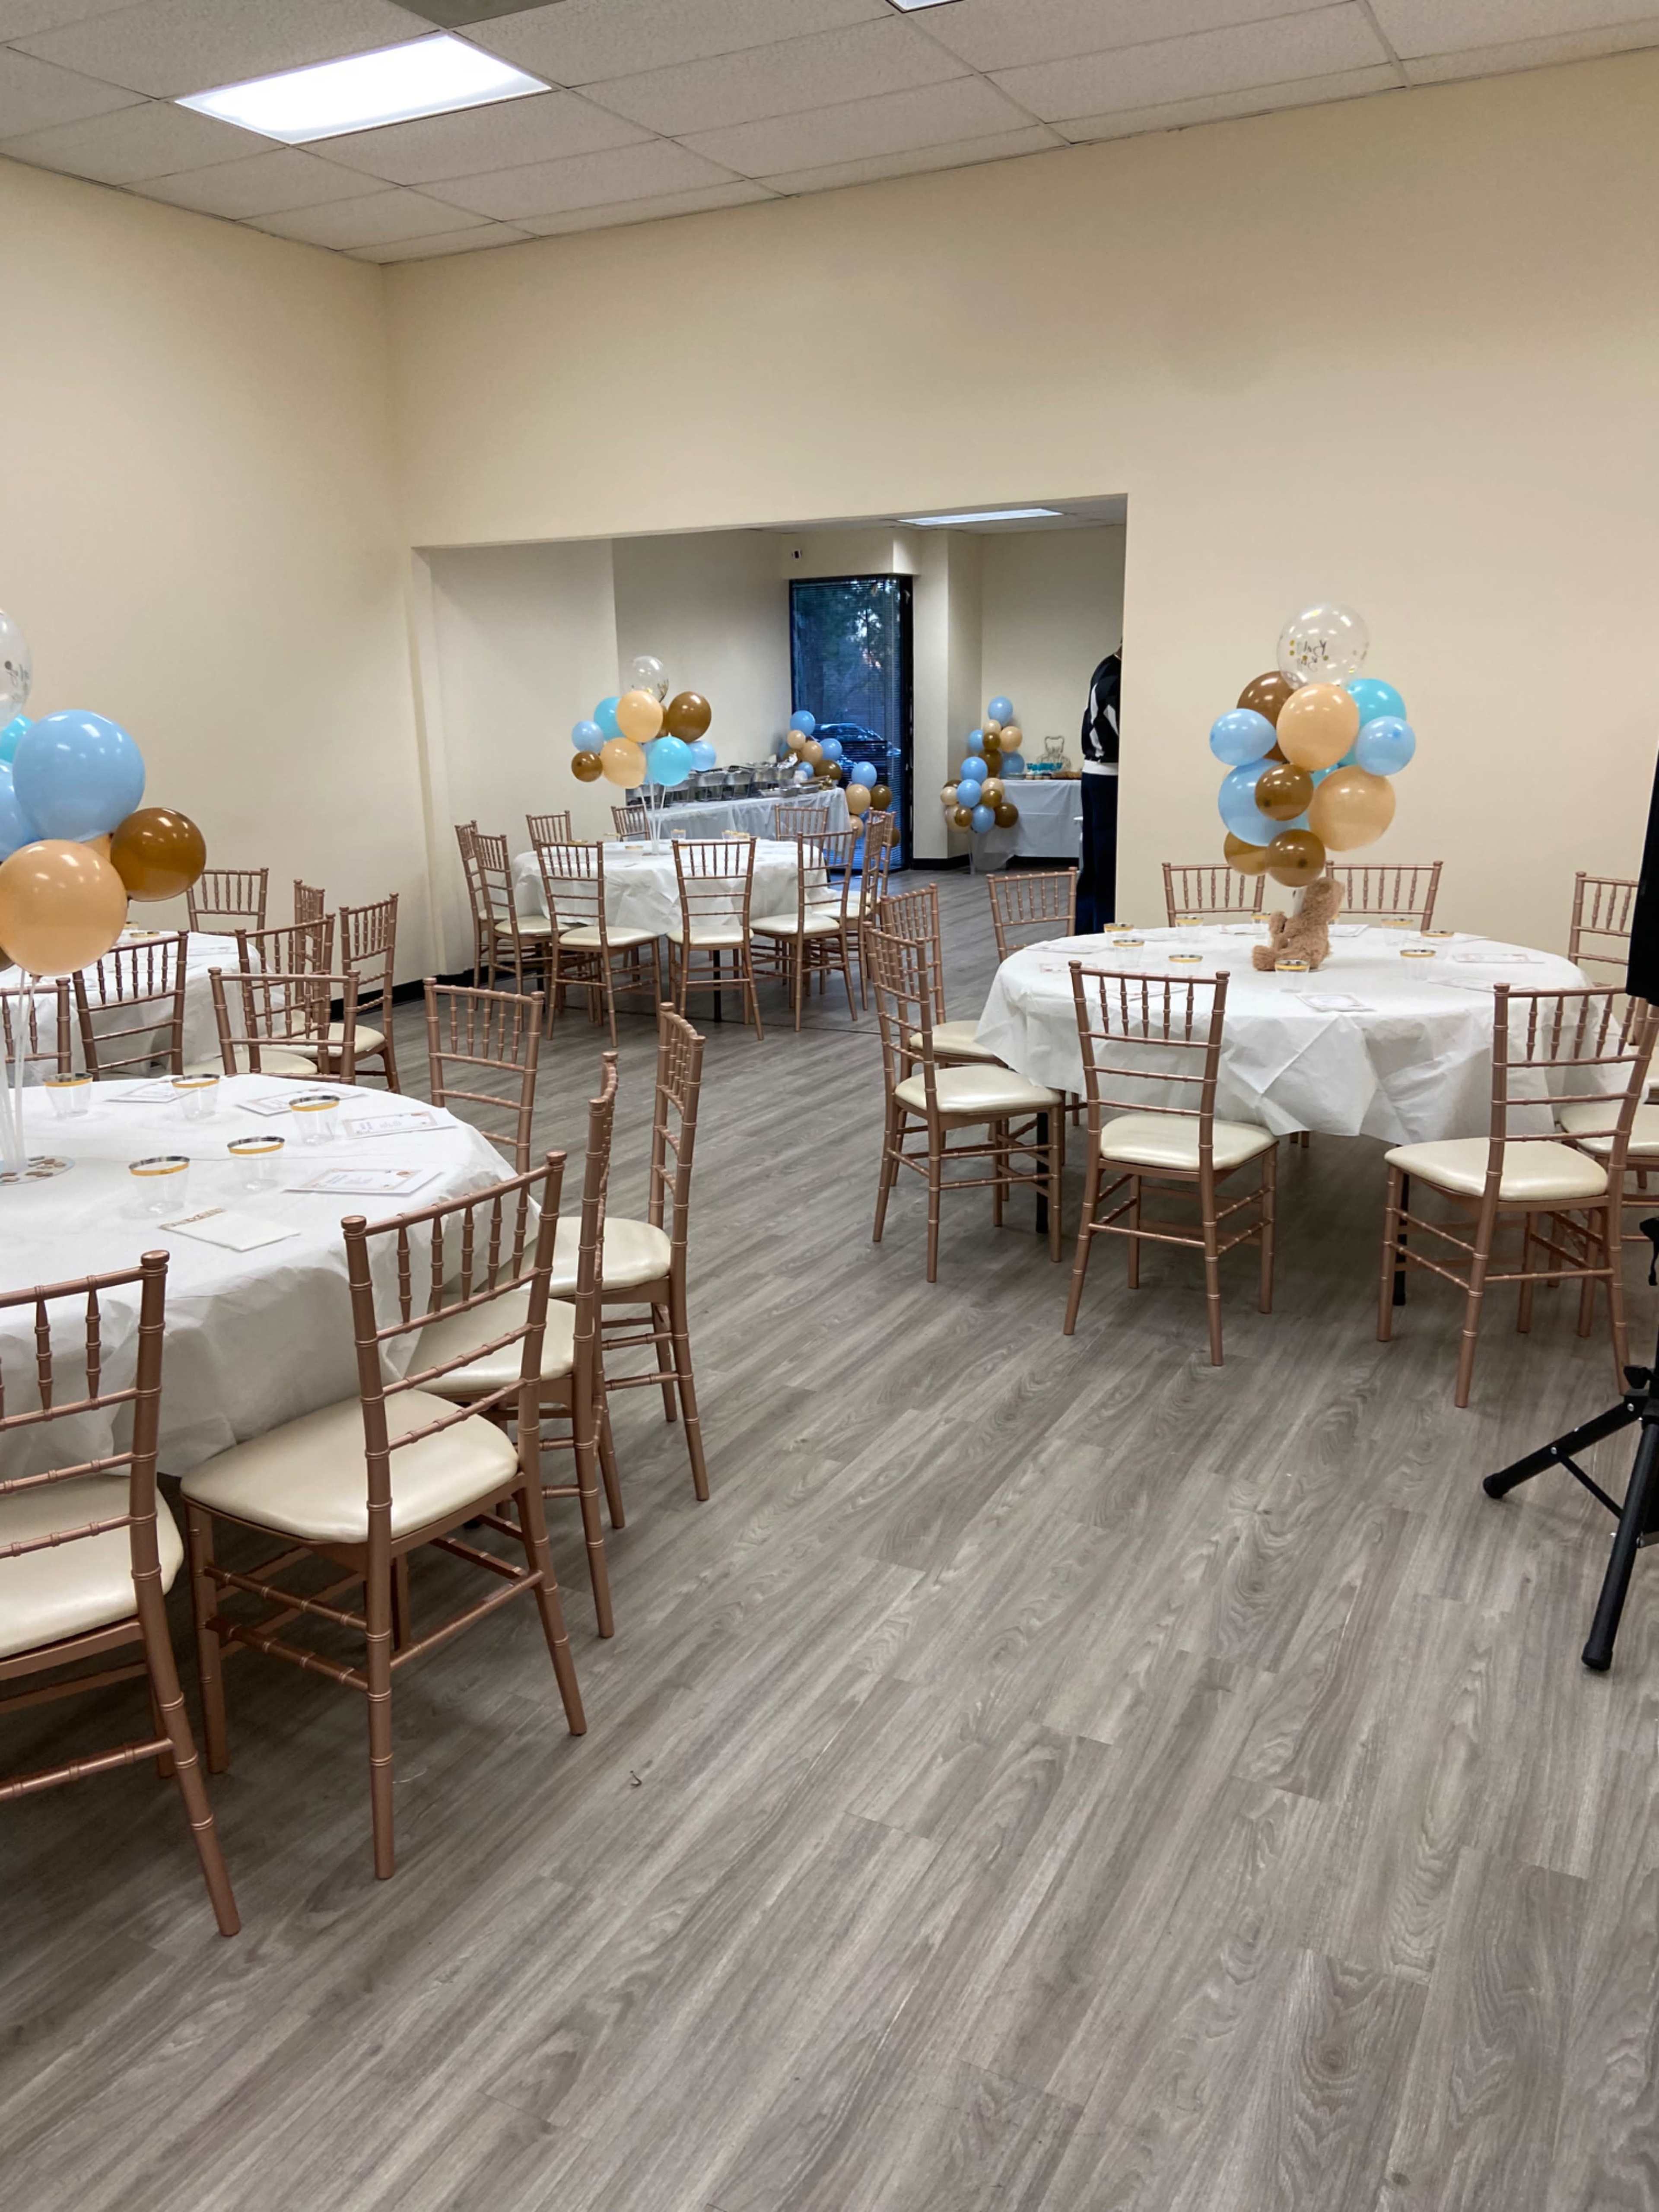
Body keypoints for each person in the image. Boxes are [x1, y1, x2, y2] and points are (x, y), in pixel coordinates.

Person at [1077, 647, 1120, 932]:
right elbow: (1125, 735)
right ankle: (1099, 933)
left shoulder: (1105, 667)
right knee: (1106, 867)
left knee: (1095, 866)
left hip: (1096, 773)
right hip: (1108, 776)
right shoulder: (1115, 679)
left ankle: (1085, 932)